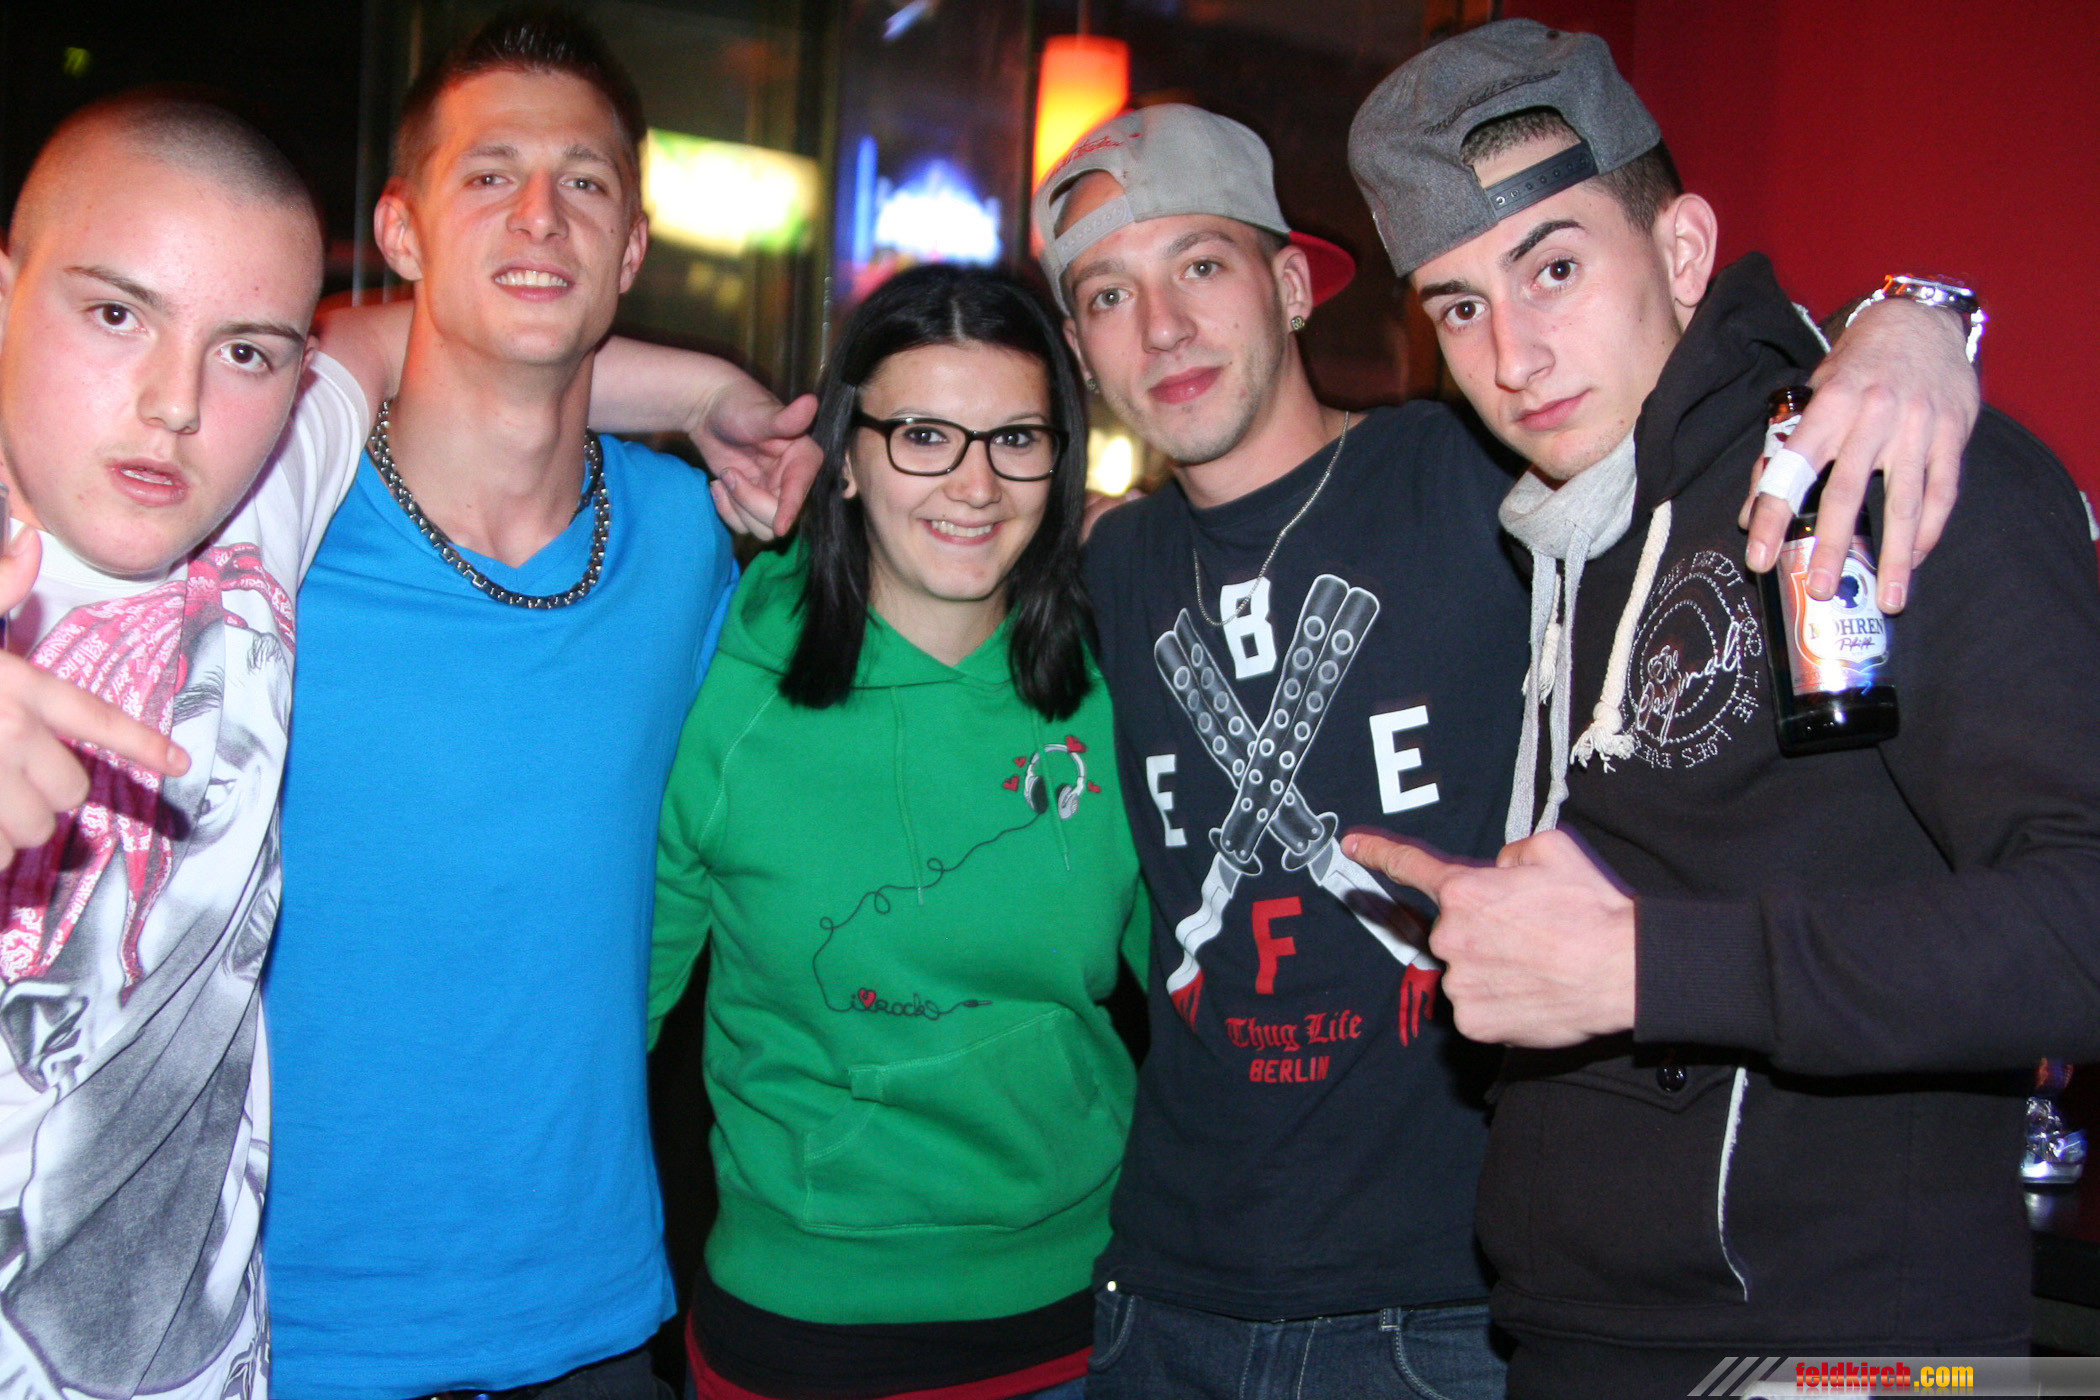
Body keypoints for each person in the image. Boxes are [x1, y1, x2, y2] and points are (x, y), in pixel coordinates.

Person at [1034, 100, 1983, 1398]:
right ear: (1081, 349)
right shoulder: (1111, 562)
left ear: (1293, 286)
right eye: (1107, 295)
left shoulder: (1485, 472)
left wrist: (1901, 328)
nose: (1162, 328)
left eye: (1201, 264)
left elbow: (1682, 377)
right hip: (1159, 1298)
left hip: (1438, 1315)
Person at [1340, 18, 2100, 1396]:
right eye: (1458, 306)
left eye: (1553, 267)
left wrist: (1647, 967)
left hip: (1854, 1354)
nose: (1513, 354)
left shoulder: (1879, 469)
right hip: (1577, 1336)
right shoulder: (1568, 527)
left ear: (1683, 250)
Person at [258, 13, 815, 1400]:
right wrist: (700, 380)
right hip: (275, 1334)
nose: (539, 214)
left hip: (593, 1325)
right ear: (401, 229)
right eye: (489, 173)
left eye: (584, 181)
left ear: (631, 248)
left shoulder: (691, 537)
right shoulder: (272, 519)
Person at [650, 263, 1144, 1400]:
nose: (975, 483)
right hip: (799, 1329)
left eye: (1016, 438)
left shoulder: (1120, 682)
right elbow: (611, 1014)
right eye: (924, 435)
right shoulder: (724, 682)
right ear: (847, 456)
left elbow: (1208, 989)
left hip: (1084, 1315)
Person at [0, 92, 339, 1400]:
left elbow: (425, 345)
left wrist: (719, 395)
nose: (177, 403)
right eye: (115, 315)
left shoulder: (263, 492)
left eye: (245, 350)